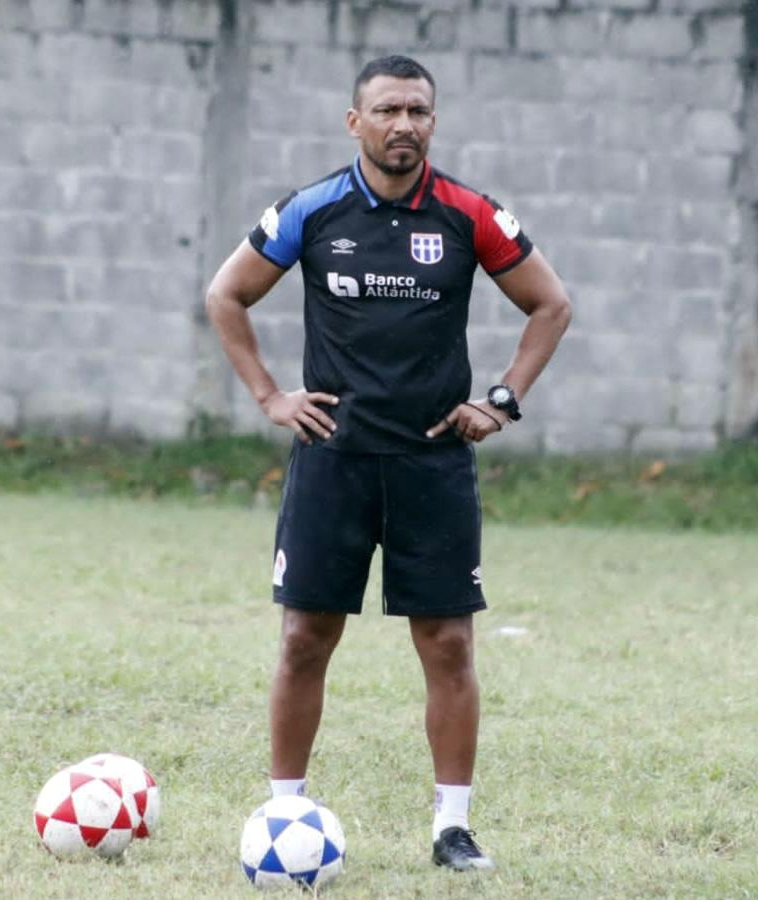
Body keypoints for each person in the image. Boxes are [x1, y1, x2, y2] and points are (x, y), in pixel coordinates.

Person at [205, 54, 571, 871]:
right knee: (305, 636)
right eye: (387, 110)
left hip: (433, 463)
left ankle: (452, 828)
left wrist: (502, 399)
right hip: (332, 461)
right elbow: (225, 294)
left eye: (417, 111)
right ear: (355, 122)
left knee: (447, 643)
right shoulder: (312, 209)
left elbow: (552, 304)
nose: (403, 124)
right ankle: (284, 814)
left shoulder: (470, 215)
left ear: (433, 123)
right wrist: (270, 397)